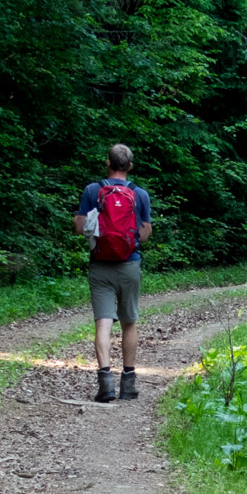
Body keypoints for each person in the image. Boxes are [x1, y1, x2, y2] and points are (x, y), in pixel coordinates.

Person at [72, 145, 152, 401]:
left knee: (103, 323)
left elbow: (80, 227)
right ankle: (128, 383)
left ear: (107, 163)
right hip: (130, 264)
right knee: (129, 322)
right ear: (130, 165)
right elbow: (145, 232)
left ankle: (105, 383)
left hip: (100, 265)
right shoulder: (139, 194)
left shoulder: (92, 191)